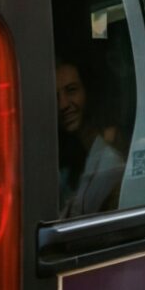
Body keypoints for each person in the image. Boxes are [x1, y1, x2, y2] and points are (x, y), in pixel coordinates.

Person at [55, 52, 125, 217]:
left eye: (71, 91)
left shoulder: (109, 162)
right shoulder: (65, 160)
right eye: (56, 97)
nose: (63, 104)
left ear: (88, 92)